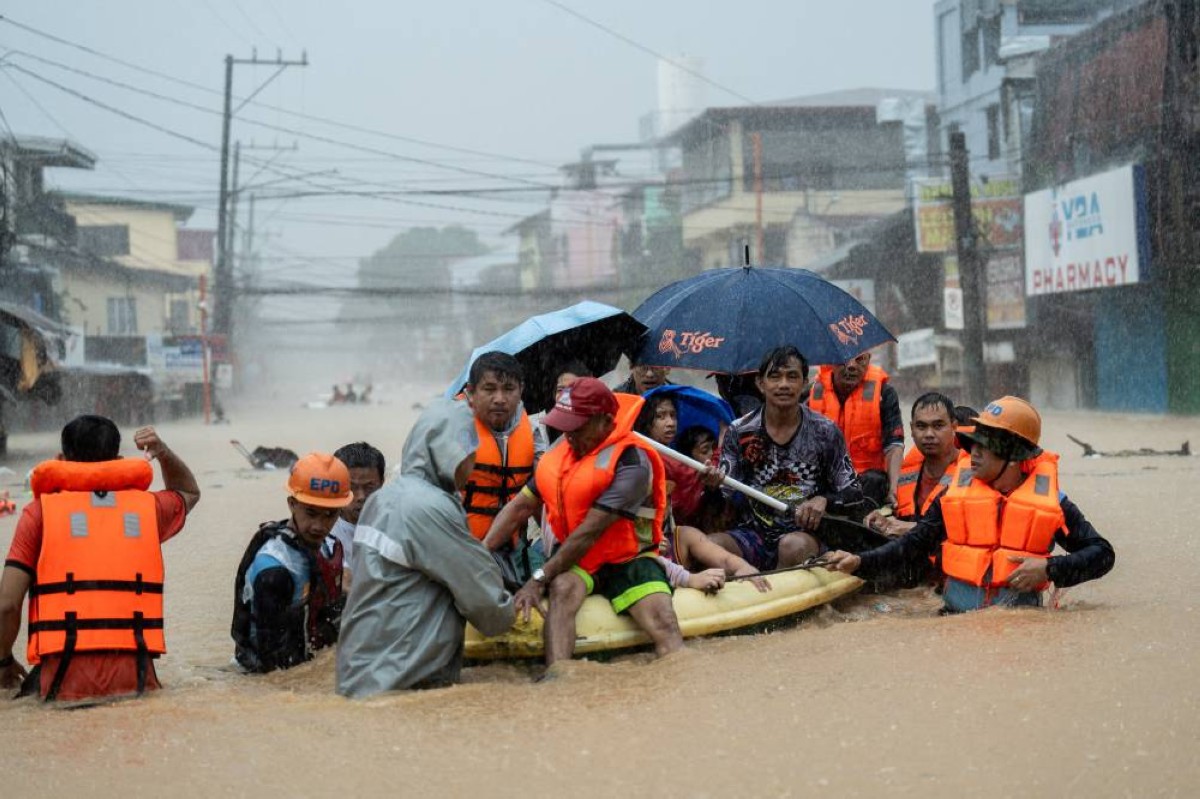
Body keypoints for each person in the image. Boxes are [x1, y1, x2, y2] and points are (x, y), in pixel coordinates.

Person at [825, 397, 1116, 613]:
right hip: (952, 618)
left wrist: (1050, 569)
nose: (971, 454)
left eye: (983, 447)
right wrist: (860, 562)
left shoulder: (1054, 504)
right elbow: (911, 546)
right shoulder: (953, 498)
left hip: (1020, 628)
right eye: (971, 445)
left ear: (1013, 457)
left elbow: (1103, 554)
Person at [484, 377, 683, 666]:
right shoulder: (559, 455)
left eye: (576, 427)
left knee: (663, 619)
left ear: (605, 421)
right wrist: (481, 551)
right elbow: (520, 507)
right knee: (563, 589)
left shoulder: (632, 461)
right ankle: (558, 678)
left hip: (629, 558)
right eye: (564, 427)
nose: (568, 437)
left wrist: (537, 579)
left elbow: (589, 532)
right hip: (579, 560)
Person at [0, 416, 201, 702]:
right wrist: (162, 452)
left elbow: (6, 606)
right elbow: (189, 492)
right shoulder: (148, 509)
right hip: (137, 673)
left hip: (62, 677)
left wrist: (3, 662)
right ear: (118, 459)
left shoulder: (39, 514)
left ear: (61, 459)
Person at [337, 399, 515, 697]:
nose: (472, 467)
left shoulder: (387, 496)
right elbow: (486, 604)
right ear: (452, 454)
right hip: (399, 680)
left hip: (360, 671)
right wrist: (512, 609)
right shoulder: (426, 507)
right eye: (471, 456)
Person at [711, 346, 863, 570]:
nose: (783, 384)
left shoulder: (825, 431)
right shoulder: (739, 431)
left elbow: (854, 493)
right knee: (713, 545)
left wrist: (825, 501)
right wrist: (712, 486)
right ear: (760, 384)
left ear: (804, 384)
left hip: (805, 536)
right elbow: (725, 496)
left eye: (792, 376)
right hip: (753, 535)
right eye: (775, 376)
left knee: (792, 546)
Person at [633, 394, 767, 593]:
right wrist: (644, 542)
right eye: (660, 417)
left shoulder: (683, 535)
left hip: (674, 537)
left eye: (672, 415)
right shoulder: (635, 458)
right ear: (646, 423)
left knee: (698, 540)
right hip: (635, 548)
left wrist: (742, 568)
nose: (670, 422)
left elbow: (723, 558)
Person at [231, 452, 352, 673]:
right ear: (292, 504)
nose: (319, 525)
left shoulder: (328, 547)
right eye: (311, 513)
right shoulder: (275, 570)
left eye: (329, 515)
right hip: (262, 678)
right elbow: (272, 664)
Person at [460, 352, 546, 544]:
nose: (499, 399)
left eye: (509, 389)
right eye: (489, 389)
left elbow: (541, 493)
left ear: (521, 390)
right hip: (460, 547)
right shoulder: (452, 429)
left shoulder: (532, 432)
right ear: (471, 392)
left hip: (513, 549)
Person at [807, 349, 904, 509]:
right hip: (826, 483)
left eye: (860, 359)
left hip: (866, 486)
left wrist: (893, 489)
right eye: (843, 359)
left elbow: (894, 446)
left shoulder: (884, 394)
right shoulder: (809, 394)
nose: (851, 366)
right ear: (831, 361)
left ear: (868, 360)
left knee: (876, 480)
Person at [865, 393, 964, 538]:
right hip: (910, 553)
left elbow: (969, 529)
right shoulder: (906, 473)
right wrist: (885, 520)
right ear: (911, 429)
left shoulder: (971, 472)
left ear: (954, 427)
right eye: (921, 426)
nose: (929, 434)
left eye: (938, 426)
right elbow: (903, 521)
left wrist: (912, 528)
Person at [324, 442, 386, 594]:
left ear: (382, 484)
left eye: (369, 487)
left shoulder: (397, 524)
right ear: (336, 485)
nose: (361, 497)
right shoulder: (321, 529)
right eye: (351, 487)